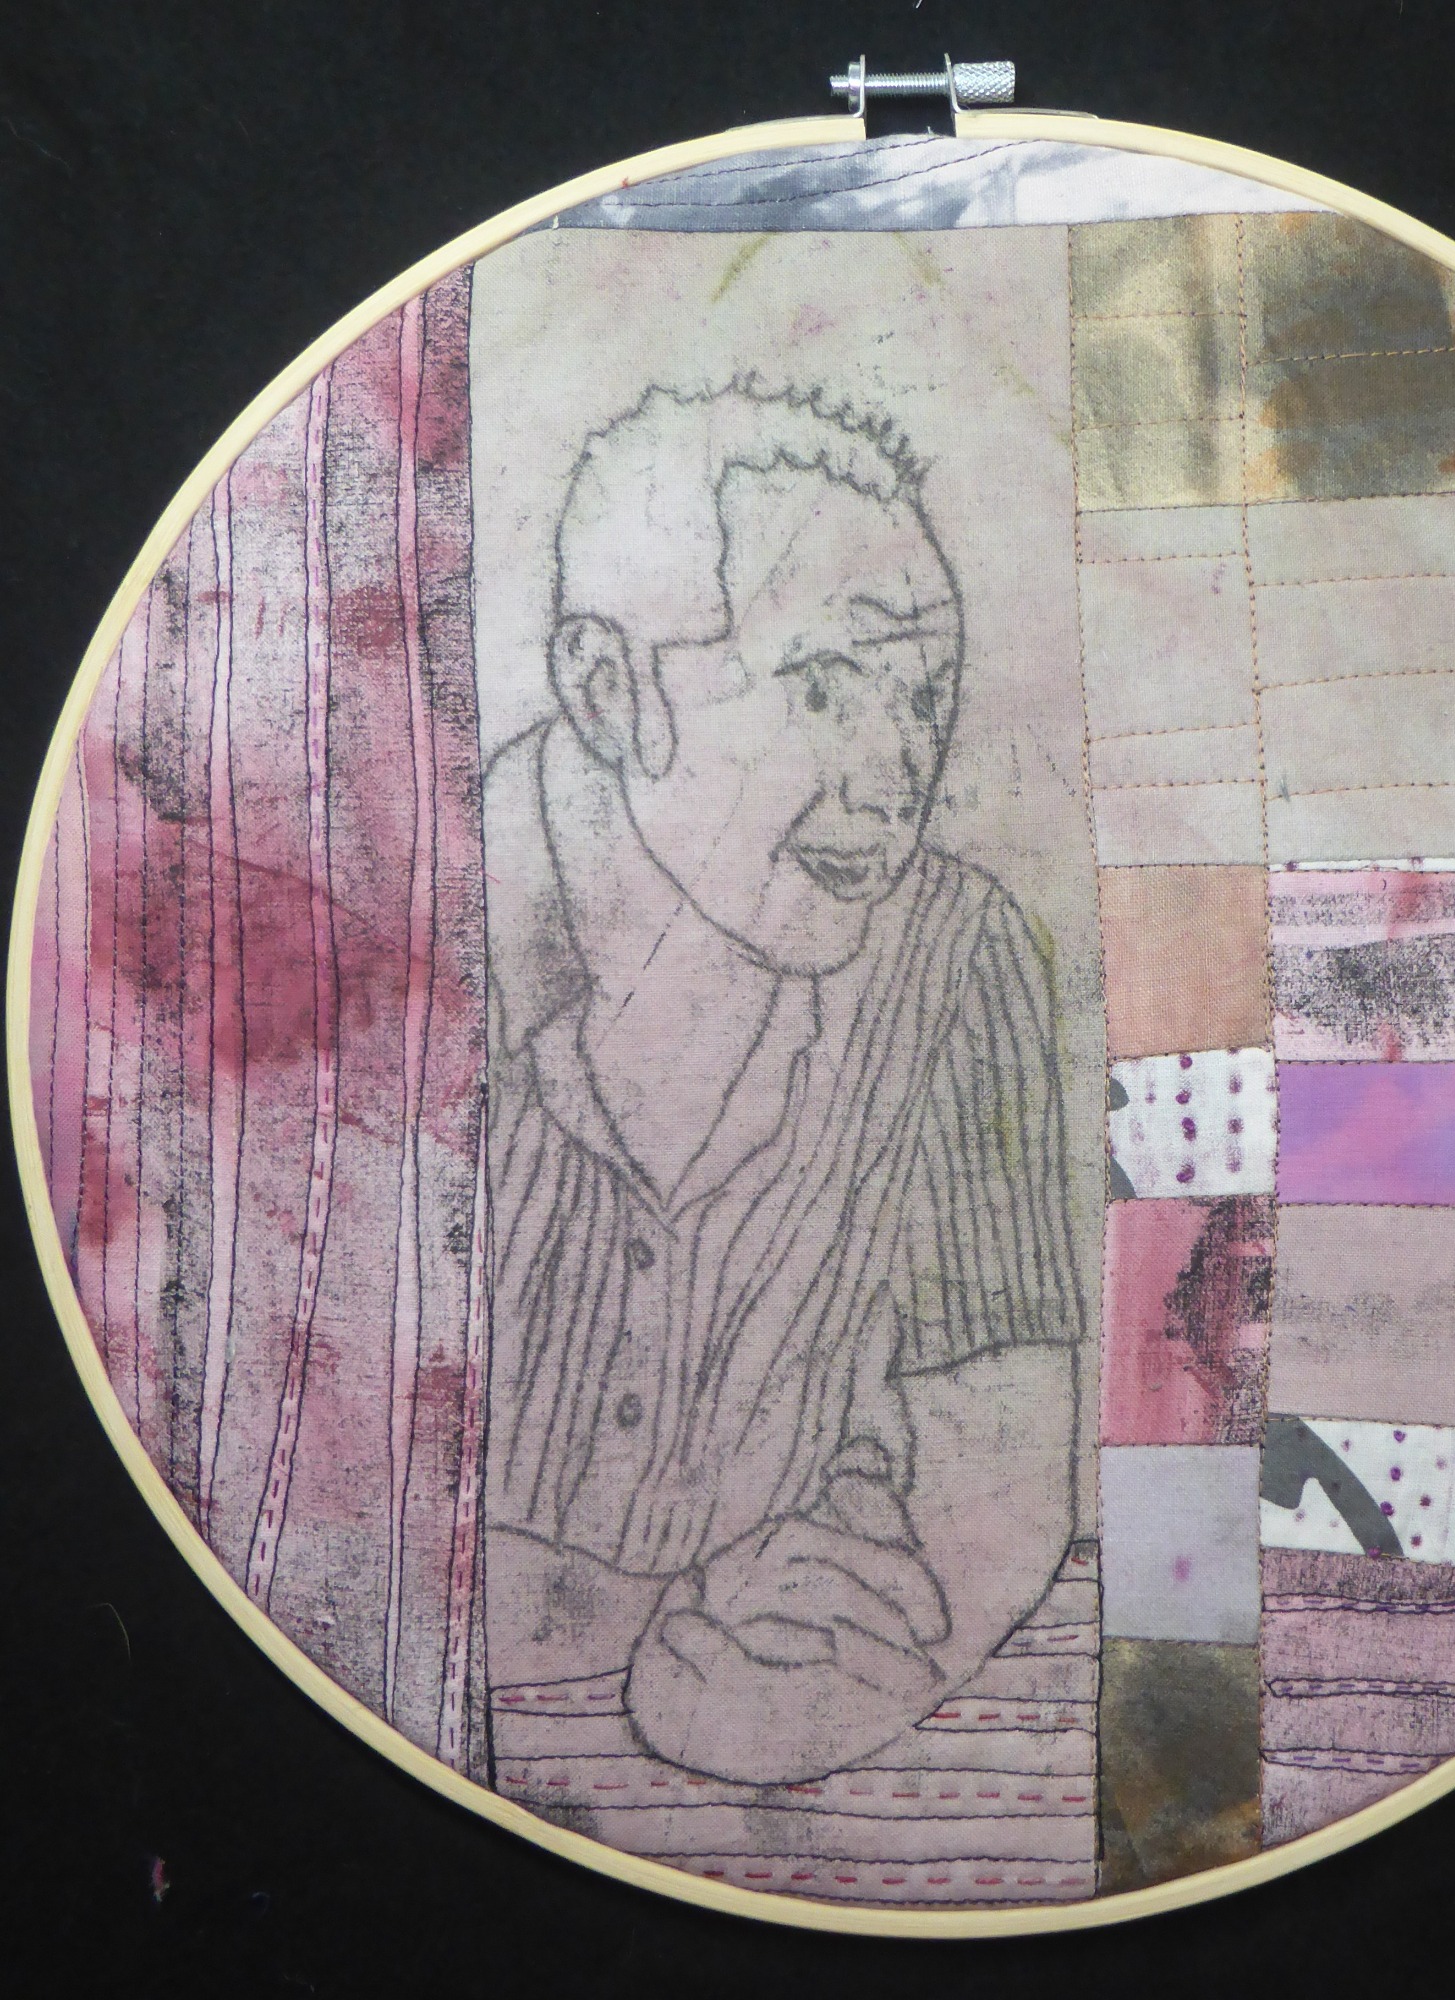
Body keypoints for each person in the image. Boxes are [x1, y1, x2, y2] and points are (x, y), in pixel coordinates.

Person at [481, 380, 1085, 1786]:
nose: (894, 780)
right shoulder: (410, 919)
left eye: (922, 696)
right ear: (608, 691)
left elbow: (997, 1484)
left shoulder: (953, 954)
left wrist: (850, 1660)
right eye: (821, 686)